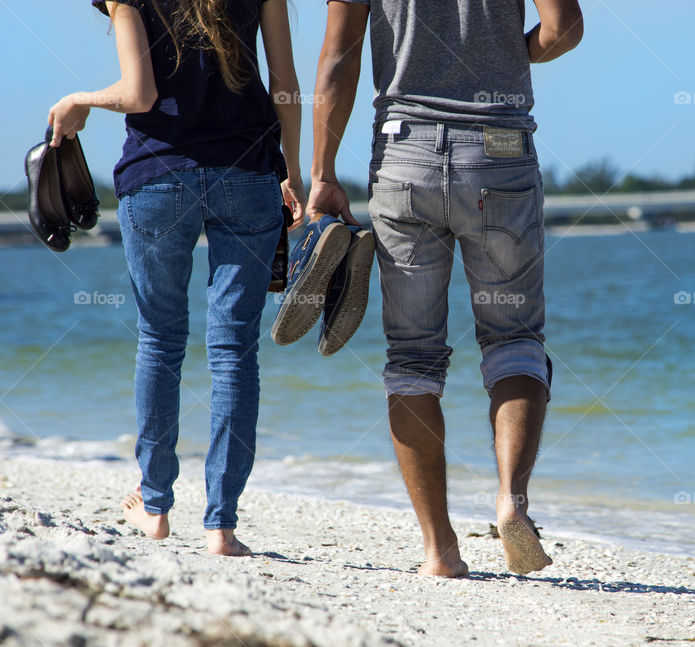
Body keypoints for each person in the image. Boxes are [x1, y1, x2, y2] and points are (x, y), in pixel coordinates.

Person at [307, 0, 583, 576]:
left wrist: (323, 174)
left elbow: (339, 55)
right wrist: (512, 55)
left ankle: (439, 549)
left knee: (412, 358)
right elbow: (564, 29)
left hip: (404, 156)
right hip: (500, 153)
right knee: (514, 340)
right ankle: (512, 499)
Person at [48, 0, 306, 556]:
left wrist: (79, 101)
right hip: (249, 173)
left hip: (159, 177)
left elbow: (139, 95)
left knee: (160, 341)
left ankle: (157, 508)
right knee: (235, 350)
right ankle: (222, 527)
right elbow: (285, 85)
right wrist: (297, 171)